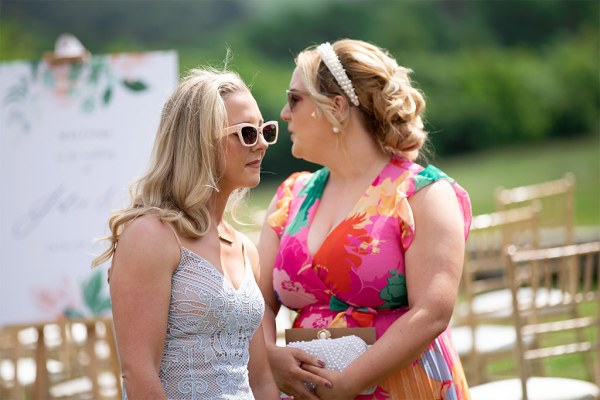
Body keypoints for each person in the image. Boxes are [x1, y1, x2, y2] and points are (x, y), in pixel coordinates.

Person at [258, 39, 472, 400]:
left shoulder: (423, 193)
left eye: (295, 98)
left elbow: (433, 312)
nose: (283, 112)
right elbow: (260, 301)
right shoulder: (292, 195)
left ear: (337, 107)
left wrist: (348, 384)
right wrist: (269, 356)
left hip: (406, 388)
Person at [92, 66, 280, 400]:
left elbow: (261, 379)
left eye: (267, 130)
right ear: (201, 141)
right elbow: (138, 374)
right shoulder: (151, 235)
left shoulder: (244, 249)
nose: (263, 143)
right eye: (247, 133)